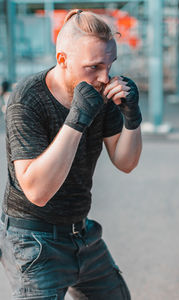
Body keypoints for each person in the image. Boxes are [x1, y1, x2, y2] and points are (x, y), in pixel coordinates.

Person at [0, 9, 142, 300]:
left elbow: (125, 162)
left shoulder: (99, 93)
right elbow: (37, 191)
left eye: (109, 64)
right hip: (33, 239)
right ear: (63, 60)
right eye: (93, 67)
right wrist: (76, 120)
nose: (105, 77)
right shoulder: (27, 99)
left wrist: (132, 118)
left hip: (82, 233)